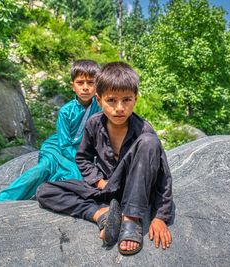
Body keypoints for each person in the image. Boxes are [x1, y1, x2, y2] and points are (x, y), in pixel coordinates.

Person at [36, 62, 174, 256]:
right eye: (111, 100)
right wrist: (99, 182)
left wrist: (160, 217)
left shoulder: (144, 130)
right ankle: (101, 214)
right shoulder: (94, 124)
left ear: (135, 99)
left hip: (136, 190)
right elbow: (83, 158)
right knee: (45, 190)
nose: (119, 108)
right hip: (107, 189)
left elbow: (163, 178)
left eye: (126, 100)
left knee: (149, 142)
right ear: (99, 100)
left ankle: (131, 219)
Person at [0, 59, 101, 202]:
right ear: (73, 86)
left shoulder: (100, 109)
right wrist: (82, 161)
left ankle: (49, 190)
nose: (85, 87)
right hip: (57, 148)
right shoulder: (66, 111)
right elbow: (64, 144)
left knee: (75, 176)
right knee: (42, 170)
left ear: (98, 85)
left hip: (80, 151)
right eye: (80, 83)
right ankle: (2, 199)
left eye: (91, 82)